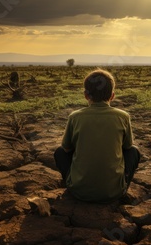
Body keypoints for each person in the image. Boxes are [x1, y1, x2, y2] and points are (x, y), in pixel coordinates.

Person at [54, 68, 140, 203]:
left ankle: (74, 183)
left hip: (78, 192)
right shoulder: (123, 117)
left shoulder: (75, 117)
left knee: (60, 152)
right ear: (112, 96)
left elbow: (66, 149)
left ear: (86, 95)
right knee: (133, 151)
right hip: (114, 193)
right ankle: (120, 187)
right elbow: (128, 146)